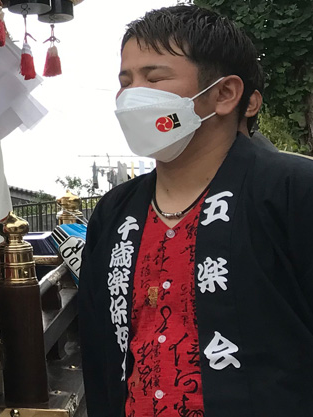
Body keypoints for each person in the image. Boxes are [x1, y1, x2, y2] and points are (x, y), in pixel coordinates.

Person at [78, 5, 313, 417]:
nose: (132, 96)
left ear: (224, 94)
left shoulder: (293, 191)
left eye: (154, 78)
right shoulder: (114, 213)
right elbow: (99, 354)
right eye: (125, 81)